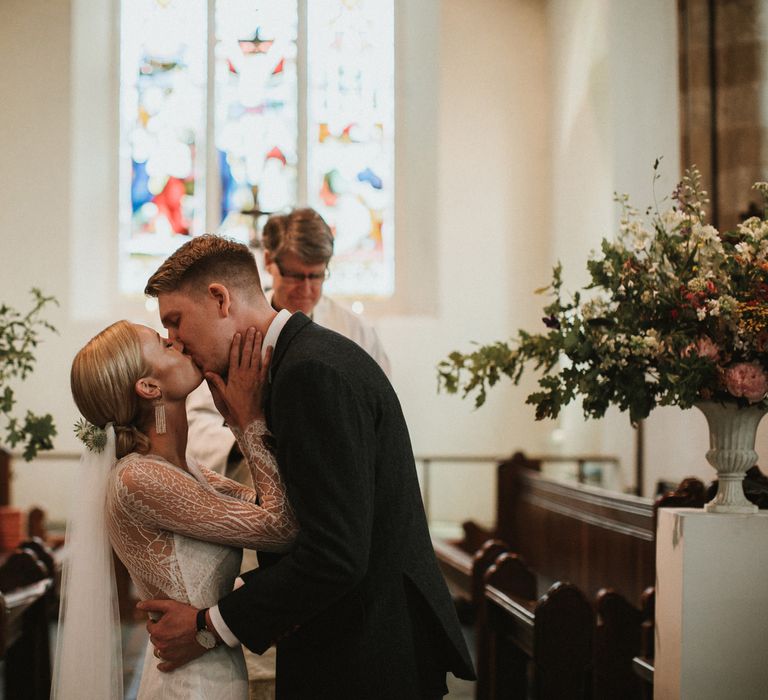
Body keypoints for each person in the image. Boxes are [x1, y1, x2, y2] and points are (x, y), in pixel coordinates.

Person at [139, 234, 475, 699]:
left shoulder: (310, 374)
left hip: (364, 659)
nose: (174, 341)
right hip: (355, 641)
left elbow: (335, 554)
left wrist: (208, 625)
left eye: (175, 322)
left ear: (219, 298)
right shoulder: (302, 360)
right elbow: (309, 520)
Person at [53, 320, 297, 700]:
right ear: (149, 388)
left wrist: (241, 419)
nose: (176, 341)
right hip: (191, 686)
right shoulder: (138, 478)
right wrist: (248, 421)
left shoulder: (186, 469)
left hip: (215, 673)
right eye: (162, 343)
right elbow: (280, 528)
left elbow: (269, 509)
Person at [186, 206, 390, 478]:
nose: (306, 289)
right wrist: (251, 443)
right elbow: (198, 419)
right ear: (270, 261)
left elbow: (380, 417)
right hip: (252, 478)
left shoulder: (356, 332)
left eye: (316, 276)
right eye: (295, 275)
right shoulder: (232, 327)